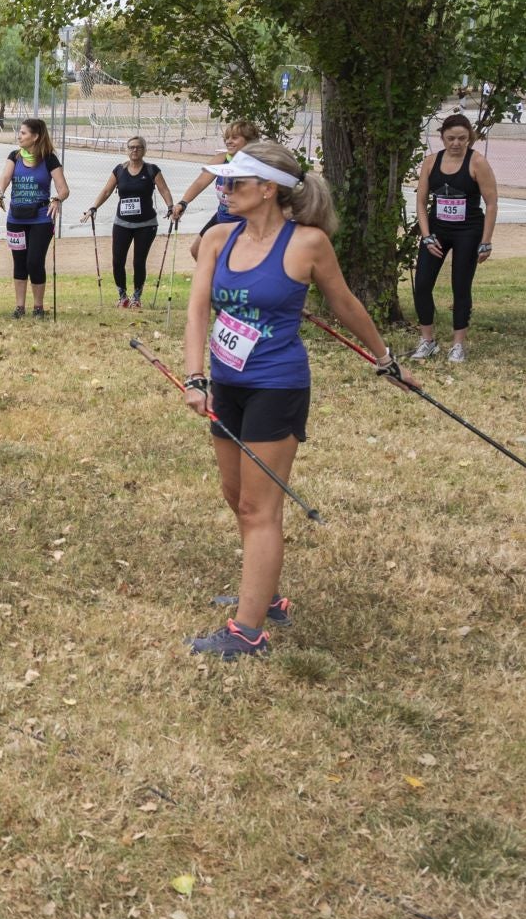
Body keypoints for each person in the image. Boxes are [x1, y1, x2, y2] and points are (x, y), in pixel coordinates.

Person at [181, 141, 417, 659]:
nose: (225, 189)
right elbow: (198, 311)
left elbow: (345, 303)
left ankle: (248, 631)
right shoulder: (218, 237)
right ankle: (262, 595)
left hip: (278, 385)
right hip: (227, 383)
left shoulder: (307, 244)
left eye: (235, 182)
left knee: (257, 506)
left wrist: (384, 357)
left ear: (268, 189)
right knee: (234, 495)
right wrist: (195, 376)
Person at [411, 113, 498, 360]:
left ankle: (458, 344)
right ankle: (427, 340)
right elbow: (420, 202)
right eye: (451, 138)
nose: (456, 143)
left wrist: (486, 240)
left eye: (462, 138)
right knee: (423, 285)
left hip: (468, 230)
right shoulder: (430, 162)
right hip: (437, 230)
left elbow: (491, 203)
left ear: (470, 137)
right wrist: (426, 236)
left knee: (460, 286)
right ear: (442, 138)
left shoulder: (477, 162)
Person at [82, 136, 173, 307]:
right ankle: (122, 296)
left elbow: (164, 190)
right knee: (118, 260)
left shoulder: (152, 170)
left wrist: (170, 207)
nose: (134, 150)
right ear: (127, 150)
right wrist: (93, 207)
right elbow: (107, 191)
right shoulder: (119, 170)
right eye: (131, 147)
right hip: (122, 223)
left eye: (138, 147)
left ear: (144, 150)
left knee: (139, 261)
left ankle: (136, 297)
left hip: (146, 224)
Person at [0, 117, 69, 317]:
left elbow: (64, 190)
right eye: (20, 132)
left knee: (34, 261)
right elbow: (4, 179)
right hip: (16, 218)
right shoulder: (14, 156)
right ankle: (19, 307)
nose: (19, 135)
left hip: (41, 218)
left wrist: (56, 199)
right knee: (19, 262)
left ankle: (38, 307)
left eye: (24, 133)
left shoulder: (49, 158)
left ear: (35, 137)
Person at [171, 120, 258, 257]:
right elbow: (200, 182)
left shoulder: (256, 165)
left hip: (243, 222)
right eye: (227, 138)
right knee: (197, 251)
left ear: (248, 141)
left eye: (234, 138)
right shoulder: (221, 159)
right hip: (221, 216)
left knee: (233, 260)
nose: (229, 141)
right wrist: (183, 203)